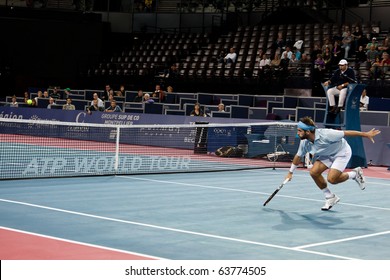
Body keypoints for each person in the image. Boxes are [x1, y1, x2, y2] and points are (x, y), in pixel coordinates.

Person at [285, 116, 381, 211]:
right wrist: (290, 173)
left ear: (308, 132)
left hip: (341, 152)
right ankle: (330, 197)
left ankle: (354, 174)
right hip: (326, 154)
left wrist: (366, 134)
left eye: (299, 131)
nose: (297, 133)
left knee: (332, 179)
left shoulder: (327, 134)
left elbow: (347, 133)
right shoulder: (304, 142)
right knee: (314, 172)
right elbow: (298, 156)